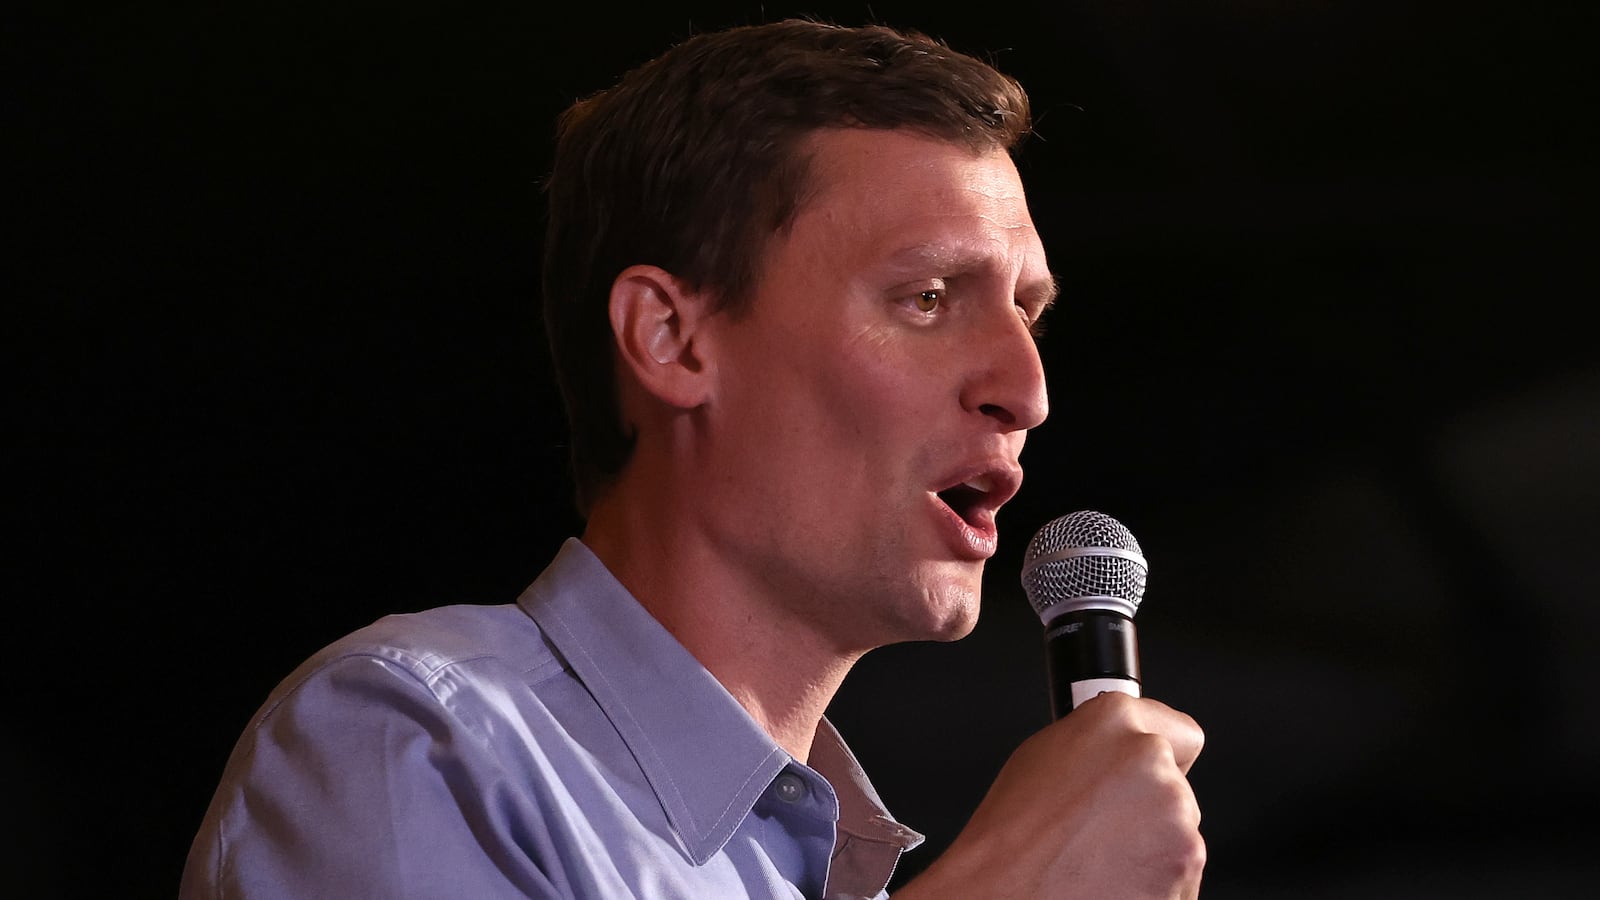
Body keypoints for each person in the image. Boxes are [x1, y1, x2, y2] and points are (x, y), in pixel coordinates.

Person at [180, 18, 1204, 899]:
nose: (1026, 391)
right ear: (672, 338)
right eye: (927, 298)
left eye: (1028, 313)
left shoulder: (836, 868)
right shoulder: (418, 740)